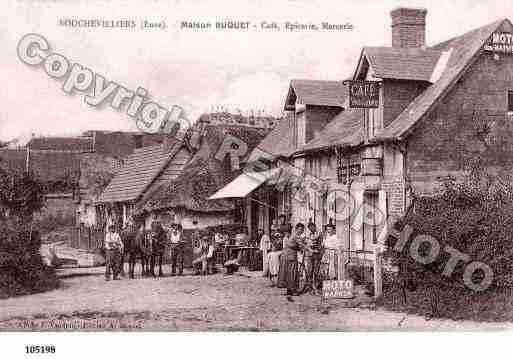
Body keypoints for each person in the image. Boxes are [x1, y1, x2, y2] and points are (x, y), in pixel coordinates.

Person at [277, 223, 312, 299]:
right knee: (291, 272)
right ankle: (292, 290)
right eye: (299, 230)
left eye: (302, 230)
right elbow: (301, 244)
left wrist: (302, 248)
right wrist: (310, 249)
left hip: (288, 255)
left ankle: (289, 290)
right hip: (289, 256)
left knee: (289, 273)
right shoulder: (295, 236)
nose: (301, 231)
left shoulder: (296, 236)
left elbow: (298, 245)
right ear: (296, 229)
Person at [304, 221, 323, 291]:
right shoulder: (309, 234)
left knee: (316, 270)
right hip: (310, 254)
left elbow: (319, 243)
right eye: (309, 228)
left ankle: (315, 284)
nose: (311, 229)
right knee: (309, 269)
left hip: (317, 254)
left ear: (314, 227)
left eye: (312, 227)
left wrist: (311, 242)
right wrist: (308, 243)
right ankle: (309, 284)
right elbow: (306, 242)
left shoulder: (319, 233)